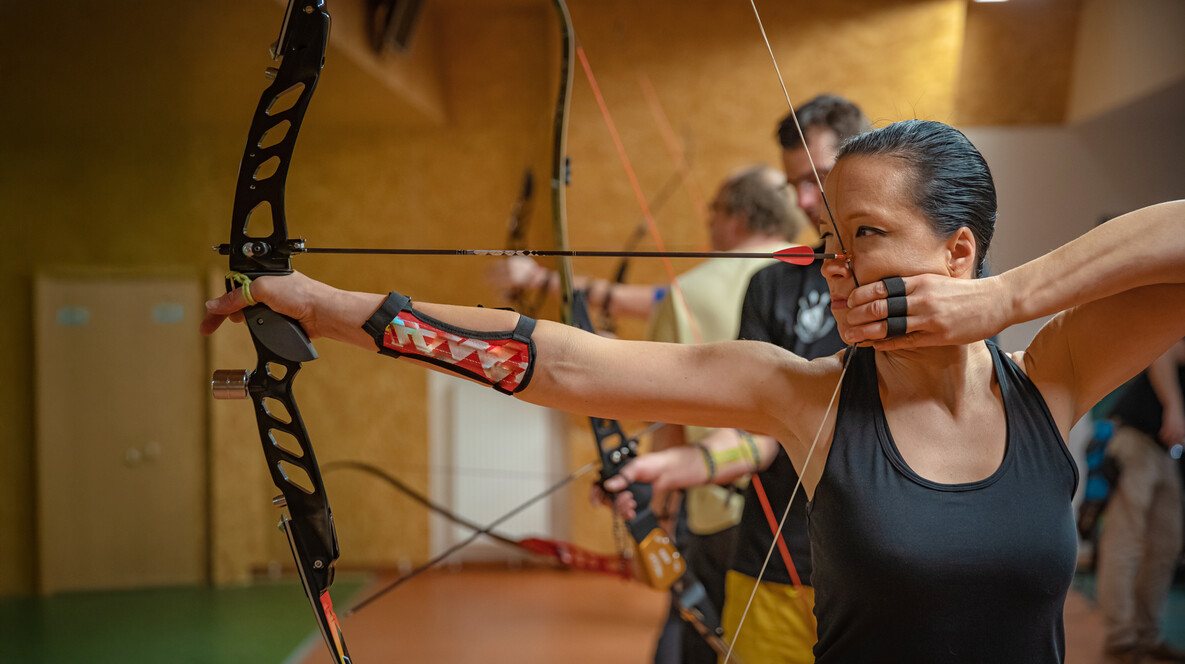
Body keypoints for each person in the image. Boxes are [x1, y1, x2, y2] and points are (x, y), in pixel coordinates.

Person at [203, 119, 1185, 662]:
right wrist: (335, 308)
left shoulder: (1053, 378)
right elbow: (568, 361)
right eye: (829, 240)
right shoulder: (799, 395)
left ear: (958, 249)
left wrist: (1009, 298)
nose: (835, 266)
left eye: (868, 236)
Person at [495, 164, 808, 664]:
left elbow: (668, 417)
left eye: (714, 212)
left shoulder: (689, 291)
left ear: (736, 217)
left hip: (719, 511)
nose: (709, 224)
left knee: (703, 641)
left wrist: (659, 521)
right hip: (810, 512)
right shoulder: (819, 275)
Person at [604, 95, 870, 664]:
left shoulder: (912, 278)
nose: (802, 200)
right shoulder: (774, 286)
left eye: (816, 179)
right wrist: (668, 469)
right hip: (772, 561)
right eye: (794, 183)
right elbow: (759, 426)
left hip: (876, 561)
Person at [1098, 339, 1185, 664]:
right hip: (1137, 440)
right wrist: (1174, 406)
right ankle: (1121, 640)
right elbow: (1162, 349)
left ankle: (1147, 636)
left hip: (1168, 454)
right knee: (1126, 541)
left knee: (1166, 546)